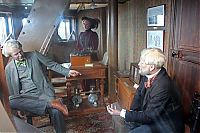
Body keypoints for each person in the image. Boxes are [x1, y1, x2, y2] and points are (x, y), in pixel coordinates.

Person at [2, 39, 81, 133]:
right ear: (10, 55)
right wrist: (19, 108)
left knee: (56, 111)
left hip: (43, 93)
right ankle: (53, 104)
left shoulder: (34, 55)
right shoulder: (8, 69)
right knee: (10, 101)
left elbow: (52, 65)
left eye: (21, 51)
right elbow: (13, 91)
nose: (20, 55)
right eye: (16, 54)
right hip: (27, 98)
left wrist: (68, 72)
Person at [107, 48, 184, 133]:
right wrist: (132, 111)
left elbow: (149, 117)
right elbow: (138, 94)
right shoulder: (147, 75)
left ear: (151, 67)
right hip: (153, 116)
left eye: (142, 62)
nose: (139, 64)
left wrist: (121, 112)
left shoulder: (163, 86)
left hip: (166, 124)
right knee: (129, 121)